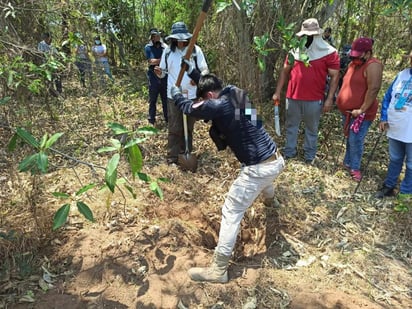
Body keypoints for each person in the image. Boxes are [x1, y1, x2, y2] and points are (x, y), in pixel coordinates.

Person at [170, 62, 285, 283]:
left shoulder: (216, 105)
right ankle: (272, 203)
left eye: (204, 98)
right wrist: (195, 73)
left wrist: (175, 93)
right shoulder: (235, 92)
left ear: (210, 96)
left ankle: (218, 270)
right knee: (262, 177)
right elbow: (212, 84)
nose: (204, 103)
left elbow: (187, 107)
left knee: (231, 211)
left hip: (258, 169)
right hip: (276, 159)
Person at [272, 18, 340, 164]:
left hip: (314, 98)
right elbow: (285, 72)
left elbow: (335, 76)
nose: (306, 38)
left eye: (309, 36)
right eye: (304, 36)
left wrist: (329, 99)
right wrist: (277, 92)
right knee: (291, 126)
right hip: (293, 96)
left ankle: (309, 155)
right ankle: (289, 152)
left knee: (312, 129)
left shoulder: (329, 52)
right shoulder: (294, 51)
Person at [155, 22, 209, 165]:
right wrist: (159, 73)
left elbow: (204, 70)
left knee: (189, 128)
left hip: (191, 96)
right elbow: (163, 72)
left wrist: (197, 80)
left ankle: (186, 153)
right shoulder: (167, 52)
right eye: (177, 40)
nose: (180, 43)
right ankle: (172, 157)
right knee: (174, 127)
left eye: (183, 40)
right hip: (173, 96)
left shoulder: (196, 51)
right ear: (172, 39)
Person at [336, 37, 383, 181]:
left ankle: (355, 167)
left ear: (368, 53)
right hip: (348, 111)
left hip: (360, 113)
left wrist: (362, 109)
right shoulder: (354, 63)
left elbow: (374, 89)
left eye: (358, 54)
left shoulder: (373, 65)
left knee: (356, 139)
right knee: (350, 137)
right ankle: (348, 162)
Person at [375, 52, 412, 198]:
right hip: (395, 125)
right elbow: (388, 97)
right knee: (395, 158)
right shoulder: (402, 74)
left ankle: (406, 192)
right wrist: (383, 117)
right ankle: (389, 186)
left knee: (411, 164)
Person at [144, 28, 168, 125]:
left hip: (164, 76)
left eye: (159, 36)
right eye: (156, 36)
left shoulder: (164, 47)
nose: (158, 37)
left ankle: (168, 119)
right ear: (152, 37)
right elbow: (151, 61)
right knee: (153, 99)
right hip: (153, 76)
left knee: (165, 99)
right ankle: (151, 120)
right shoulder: (148, 47)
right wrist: (162, 60)